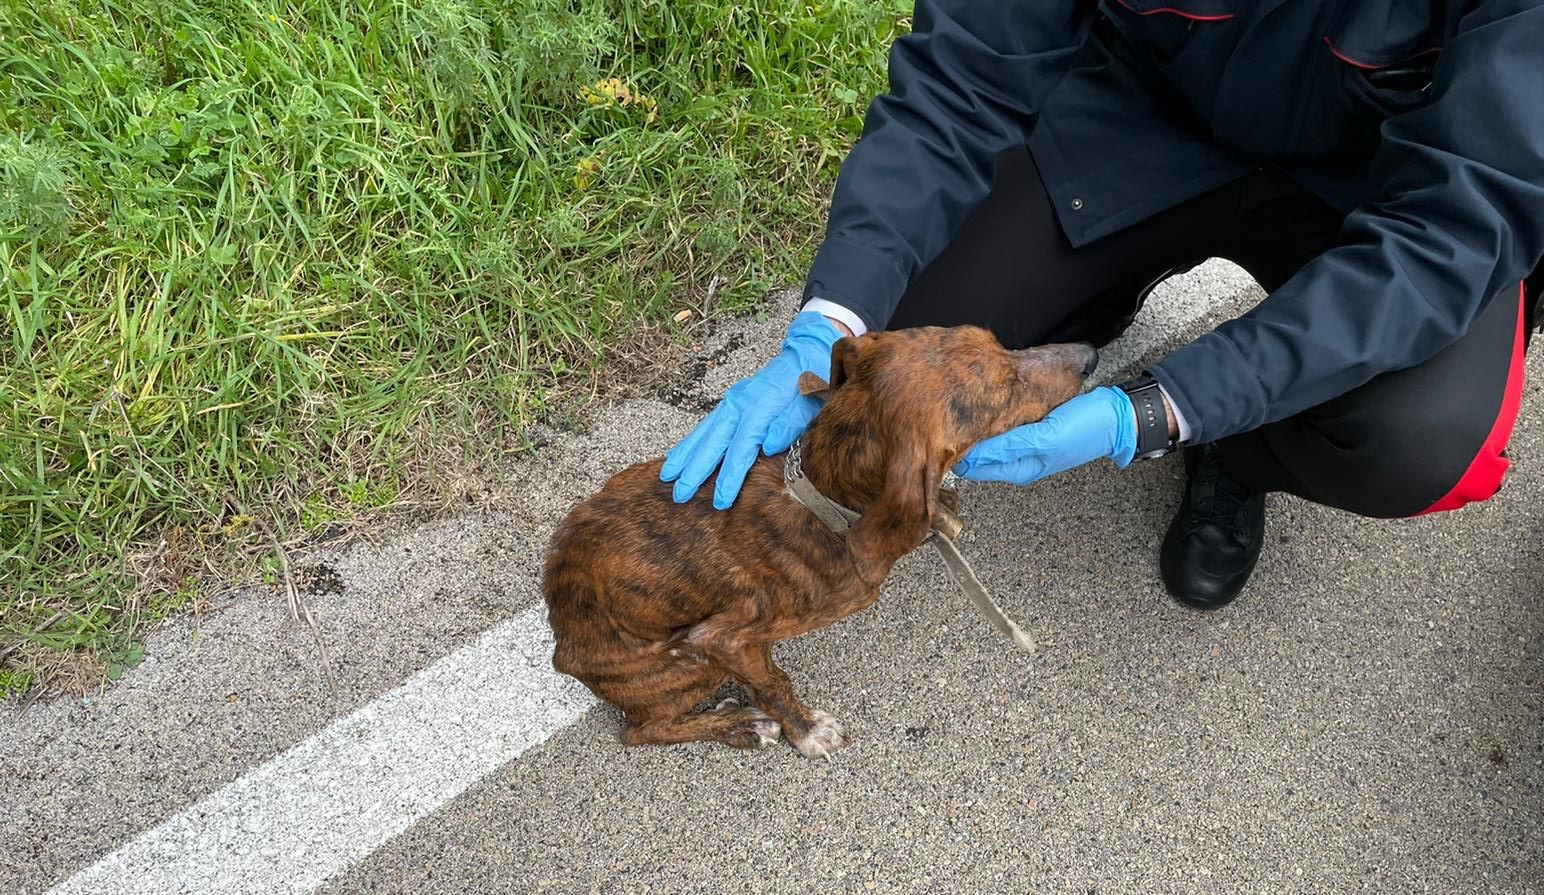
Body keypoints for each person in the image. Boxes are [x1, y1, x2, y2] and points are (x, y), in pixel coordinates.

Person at [661, 0, 1544, 609]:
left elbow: (1455, 227)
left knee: (1418, 443)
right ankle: (1096, 299)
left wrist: (1173, 405)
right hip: (1142, 118)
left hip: (1372, 188)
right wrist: (832, 321)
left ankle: (1236, 447)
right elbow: (959, 81)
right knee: (906, 342)